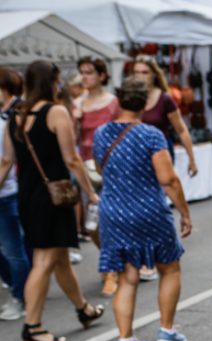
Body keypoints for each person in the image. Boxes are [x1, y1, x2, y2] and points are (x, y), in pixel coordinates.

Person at [0, 60, 105, 341]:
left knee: (59, 258)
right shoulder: (56, 111)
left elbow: (7, 162)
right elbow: (71, 158)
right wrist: (91, 191)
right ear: (52, 81)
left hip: (27, 195)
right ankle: (32, 327)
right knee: (44, 260)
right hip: (54, 195)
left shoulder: (16, 116)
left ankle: (83, 308)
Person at [92, 77, 191, 341]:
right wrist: (184, 211)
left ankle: (125, 339)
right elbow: (168, 179)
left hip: (114, 211)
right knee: (169, 268)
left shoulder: (101, 134)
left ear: (119, 100)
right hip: (148, 209)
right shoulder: (151, 135)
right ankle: (167, 330)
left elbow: (100, 169)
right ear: (146, 103)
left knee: (127, 276)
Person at [132, 55, 197, 283]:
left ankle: (153, 259)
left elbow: (181, 129)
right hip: (136, 157)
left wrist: (191, 158)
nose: (140, 76)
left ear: (153, 75)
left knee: (155, 205)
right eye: (136, 72)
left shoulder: (165, 99)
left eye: (144, 72)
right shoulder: (131, 100)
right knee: (140, 207)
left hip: (160, 156)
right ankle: (143, 256)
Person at [75, 56, 119, 296]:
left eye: (89, 72)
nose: (85, 77)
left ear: (102, 75)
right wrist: (75, 117)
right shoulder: (77, 104)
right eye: (82, 72)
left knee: (108, 221)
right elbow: (72, 139)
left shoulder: (112, 102)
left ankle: (110, 271)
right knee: (91, 225)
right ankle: (113, 261)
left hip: (111, 167)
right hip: (86, 169)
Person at [0, 66, 30, 321]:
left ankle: (21, 297)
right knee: (14, 249)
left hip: (11, 190)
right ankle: (22, 288)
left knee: (14, 249)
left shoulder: (16, 113)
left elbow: (7, 160)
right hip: (9, 190)